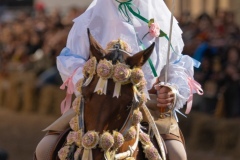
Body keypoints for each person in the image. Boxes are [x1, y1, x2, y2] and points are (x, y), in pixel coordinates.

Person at [36, 0, 202, 160]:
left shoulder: (162, 17)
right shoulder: (89, 18)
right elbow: (71, 60)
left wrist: (173, 89)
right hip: (97, 103)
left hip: (149, 104)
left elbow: (175, 63)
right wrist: (92, 84)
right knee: (44, 150)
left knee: (177, 154)